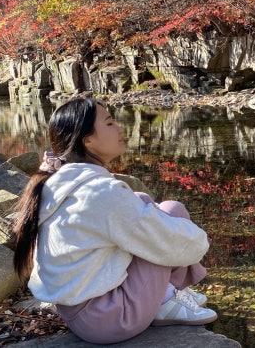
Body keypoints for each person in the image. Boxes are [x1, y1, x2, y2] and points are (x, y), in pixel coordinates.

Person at [13, 97, 217, 344]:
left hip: (78, 313)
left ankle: (165, 293)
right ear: (87, 140)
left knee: (141, 201)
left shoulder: (57, 182)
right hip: (111, 319)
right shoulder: (101, 193)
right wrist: (201, 239)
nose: (120, 128)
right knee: (172, 213)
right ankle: (165, 300)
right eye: (109, 123)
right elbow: (170, 241)